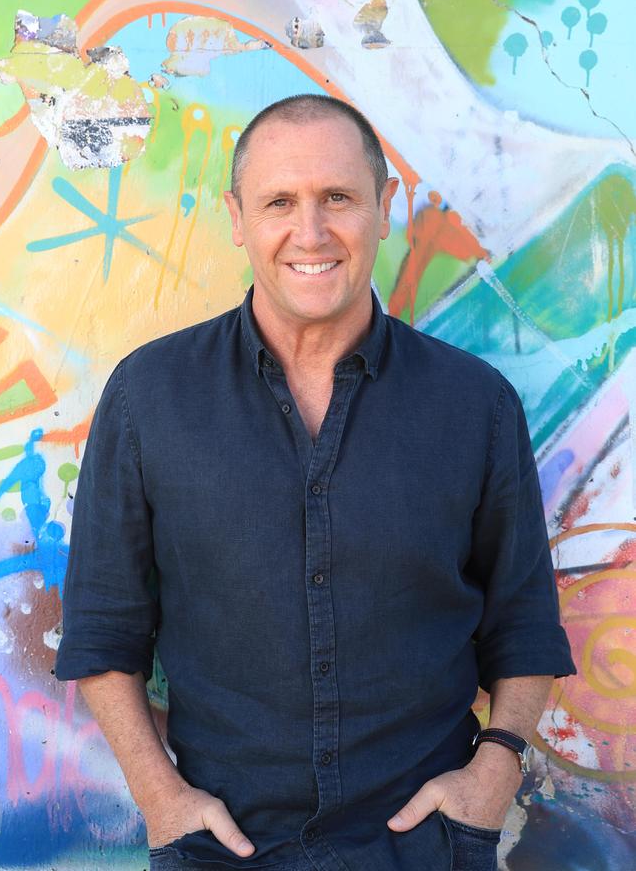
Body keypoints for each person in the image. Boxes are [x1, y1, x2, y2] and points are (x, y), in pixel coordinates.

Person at [55, 94, 576, 871]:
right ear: (237, 217)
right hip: (220, 849)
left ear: (384, 206)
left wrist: (492, 775)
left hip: (424, 848)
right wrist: (160, 797)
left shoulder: (476, 405)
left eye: (338, 197)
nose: (311, 232)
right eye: (278, 202)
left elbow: (525, 622)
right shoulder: (148, 397)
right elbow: (102, 633)